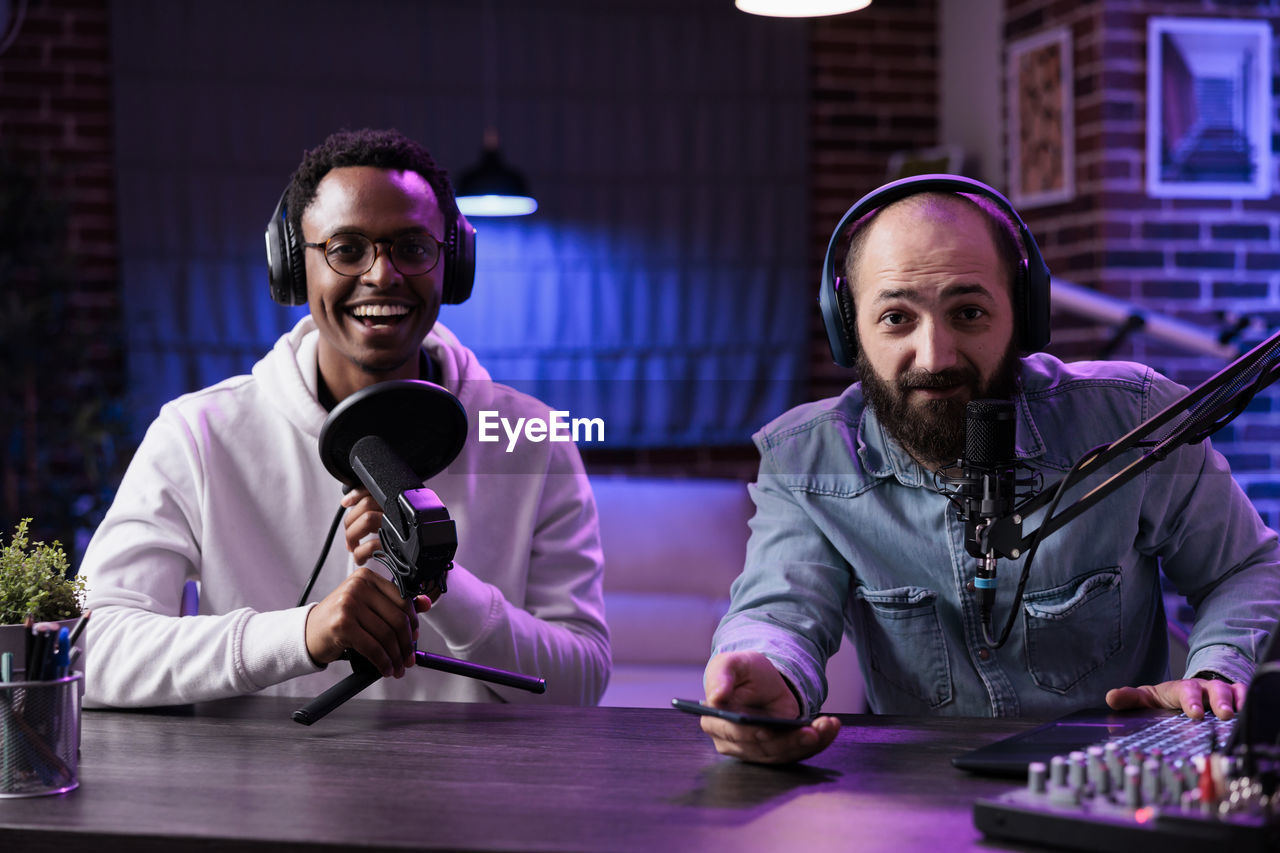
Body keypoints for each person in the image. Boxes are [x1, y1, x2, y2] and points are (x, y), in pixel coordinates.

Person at [700, 175, 1280, 763]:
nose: (936, 357)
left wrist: (1219, 673)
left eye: (969, 312)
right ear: (849, 331)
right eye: (897, 318)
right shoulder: (806, 459)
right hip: (914, 798)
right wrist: (767, 674)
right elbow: (778, 612)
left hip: (1103, 779)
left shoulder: (1133, 419)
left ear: (1023, 317)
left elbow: (1248, 566)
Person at [80, 128, 610, 708]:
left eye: (412, 247)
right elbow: (90, 650)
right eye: (346, 248)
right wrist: (302, 634)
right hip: (258, 795)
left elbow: (581, 683)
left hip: (474, 792)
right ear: (291, 266)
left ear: (452, 264)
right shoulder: (198, 434)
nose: (382, 275)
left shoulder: (532, 441)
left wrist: (438, 576)